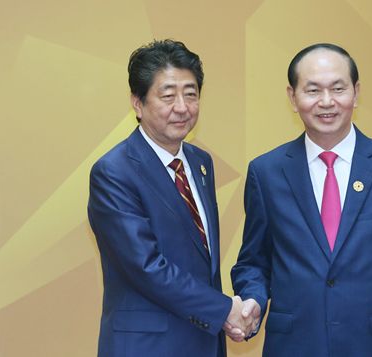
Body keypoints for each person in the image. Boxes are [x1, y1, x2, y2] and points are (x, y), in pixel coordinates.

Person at [231, 43, 372, 356]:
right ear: (292, 97)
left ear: (356, 92)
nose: (327, 102)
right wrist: (252, 300)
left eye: (338, 88)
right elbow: (254, 262)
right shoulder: (266, 172)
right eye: (312, 90)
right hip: (294, 346)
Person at [88, 39, 253, 357]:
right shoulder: (114, 172)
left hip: (204, 341)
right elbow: (146, 266)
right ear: (138, 103)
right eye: (167, 96)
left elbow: (199, 258)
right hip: (147, 347)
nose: (182, 107)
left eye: (191, 94)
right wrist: (224, 310)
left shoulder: (200, 163)